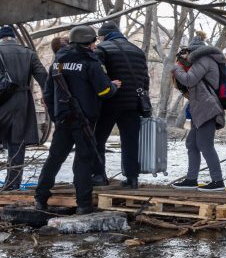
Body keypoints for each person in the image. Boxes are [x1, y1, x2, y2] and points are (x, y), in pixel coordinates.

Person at [35, 26, 121, 214]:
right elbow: (104, 91)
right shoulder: (91, 62)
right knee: (84, 161)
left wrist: (56, 116)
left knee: (54, 159)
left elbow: (48, 93)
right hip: (84, 120)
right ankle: (83, 204)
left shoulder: (58, 62)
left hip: (63, 119)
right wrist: (113, 86)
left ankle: (40, 199)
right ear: (89, 42)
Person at [92, 20, 150, 189]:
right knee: (130, 141)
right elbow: (145, 79)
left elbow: (98, 75)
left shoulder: (102, 49)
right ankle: (132, 178)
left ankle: (99, 175)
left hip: (110, 101)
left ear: (103, 36)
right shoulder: (137, 51)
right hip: (133, 103)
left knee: (98, 139)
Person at [171, 33, 226, 191]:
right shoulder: (205, 60)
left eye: (187, 53)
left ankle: (218, 181)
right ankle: (191, 179)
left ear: (193, 51)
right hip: (200, 108)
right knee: (192, 143)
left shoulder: (204, 60)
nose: (186, 56)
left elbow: (189, 79)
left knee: (205, 145)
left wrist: (176, 68)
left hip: (207, 107)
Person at [0, 25, 48, 191]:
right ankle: (13, 184)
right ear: (13, 37)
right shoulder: (28, 52)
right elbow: (43, 76)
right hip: (22, 102)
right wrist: (46, 97)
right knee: (17, 144)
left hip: (2, 101)